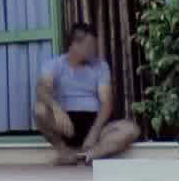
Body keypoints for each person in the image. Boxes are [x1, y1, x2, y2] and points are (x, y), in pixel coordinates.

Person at [34, 22, 138, 165]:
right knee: (40, 109)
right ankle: (64, 152)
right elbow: (42, 89)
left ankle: (90, 155)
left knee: (131, 129)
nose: (94, 49)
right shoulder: (54, 64)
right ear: (74, 45)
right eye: (90, 45)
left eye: (95, 45)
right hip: (66, 124)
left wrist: (94, 132)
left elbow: (106, 103)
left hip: (94, 123)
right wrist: (56, 109)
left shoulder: (101, 66)